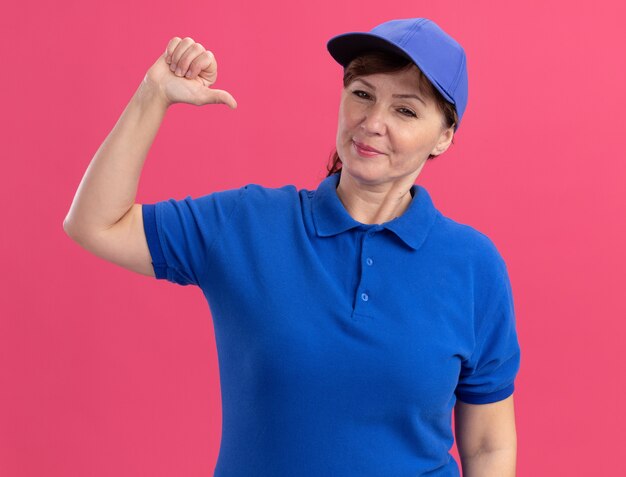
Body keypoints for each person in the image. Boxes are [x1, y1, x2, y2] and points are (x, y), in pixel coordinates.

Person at [64, 17, 521, 477]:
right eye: (361, 94)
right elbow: (95, 224)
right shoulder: (247, 224)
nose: (373, 122)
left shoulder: (474, 266)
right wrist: (153, 95)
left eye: (406, 110)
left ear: (443, 137)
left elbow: (487, 445)